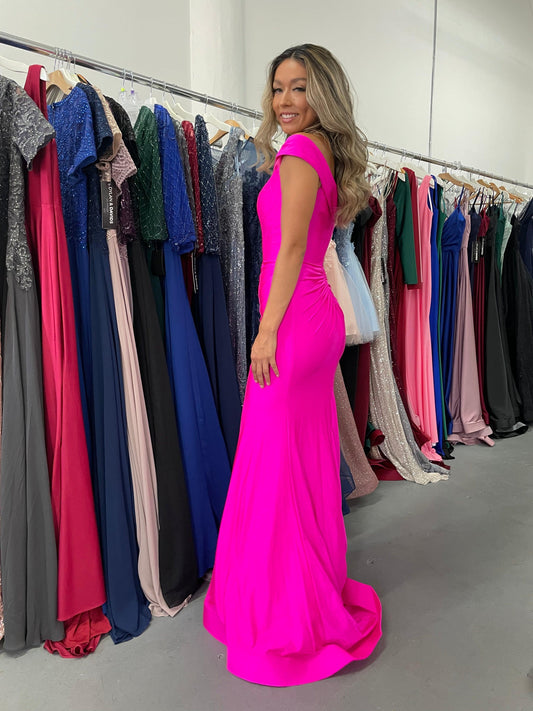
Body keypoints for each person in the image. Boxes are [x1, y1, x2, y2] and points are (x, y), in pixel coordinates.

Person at [203, 43, 382, 687]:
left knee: (277, 465)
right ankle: (300, 587)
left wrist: (266, 330)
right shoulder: (320, 151)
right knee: (295, 462)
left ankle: (286, 614)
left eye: (299, 87)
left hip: (294, 323)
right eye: (278, 87)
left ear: (321, 94)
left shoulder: (302, 151)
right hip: (311, 317)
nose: (284, 100)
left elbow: (290, 251)